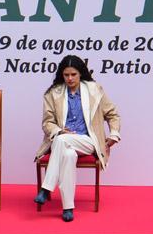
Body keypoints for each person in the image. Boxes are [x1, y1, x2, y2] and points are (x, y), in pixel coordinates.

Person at [33, 55, 121, 222]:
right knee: (67, 154)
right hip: (64, 142)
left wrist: (114, 134)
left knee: (61, 140)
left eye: (73, 74)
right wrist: (58, 131)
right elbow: (47, 123)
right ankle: (68, 208)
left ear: (81, 73)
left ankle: (46, 188)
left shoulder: (94, 90)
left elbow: (113, 114)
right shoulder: (53, 93)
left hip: (88, 140)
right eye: (66, 75)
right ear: (62, 75)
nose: (70, 78)